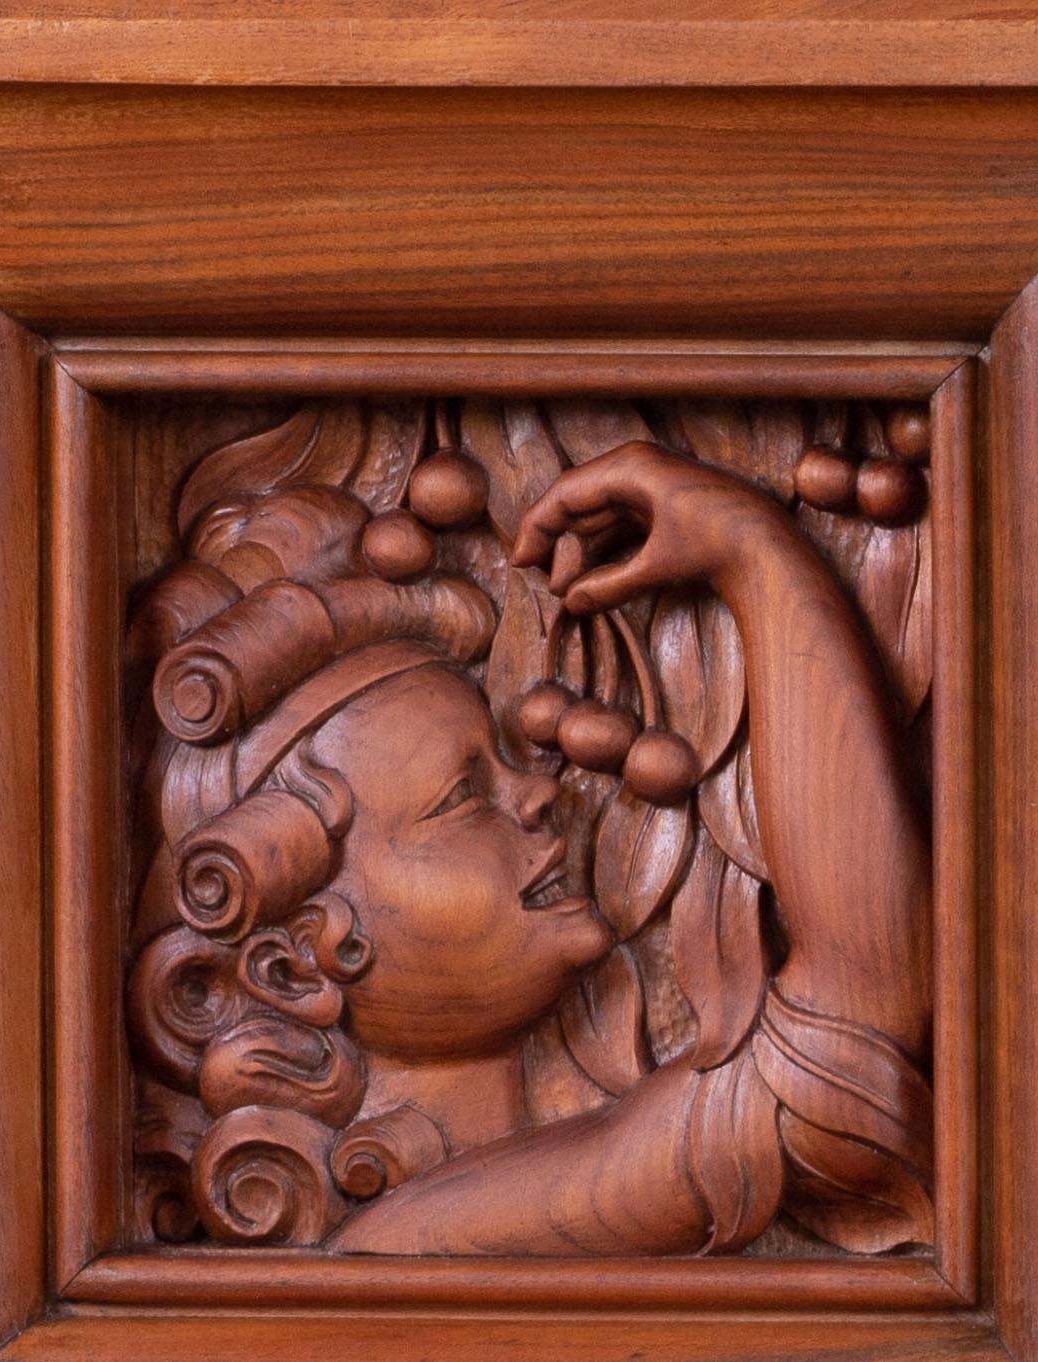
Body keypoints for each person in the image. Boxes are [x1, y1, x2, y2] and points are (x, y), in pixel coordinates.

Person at [132, 412, 930, 1259]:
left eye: (509, 758)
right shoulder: (409, 1242)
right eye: (462, 796)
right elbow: (850, 1041)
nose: (541, 792)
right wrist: (752, 550)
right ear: (298, 967)